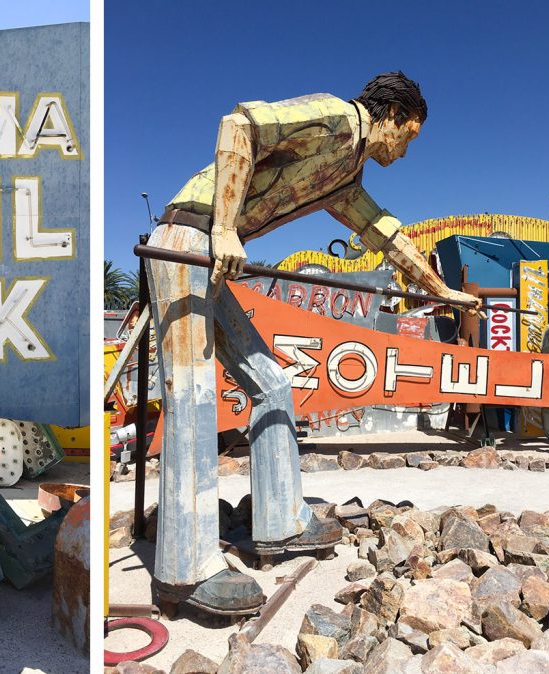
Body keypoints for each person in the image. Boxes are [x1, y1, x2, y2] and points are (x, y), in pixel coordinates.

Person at [146, 72, 482, 616]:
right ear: (392, 116)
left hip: (210, 252)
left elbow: (386, 235)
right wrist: (228, 227)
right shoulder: (334, 117)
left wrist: (442, 290)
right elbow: (239, 125)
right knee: (191, 396)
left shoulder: (343, 179)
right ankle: (184, 571)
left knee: (273, 384)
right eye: (410, 136)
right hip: (189, 239)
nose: (405, 151)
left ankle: (281, 521)